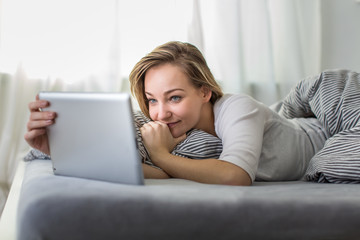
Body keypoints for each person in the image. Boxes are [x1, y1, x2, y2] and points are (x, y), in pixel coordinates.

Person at [25, 41, 327, 186]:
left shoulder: (238, 107)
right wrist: (62, 151)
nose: (161, 113)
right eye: (152, 100)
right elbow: (163, 173)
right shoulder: (180, 128)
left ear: (205, 92)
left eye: (175, 97)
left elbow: (236, 176)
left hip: (317, 136)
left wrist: (161, 155)